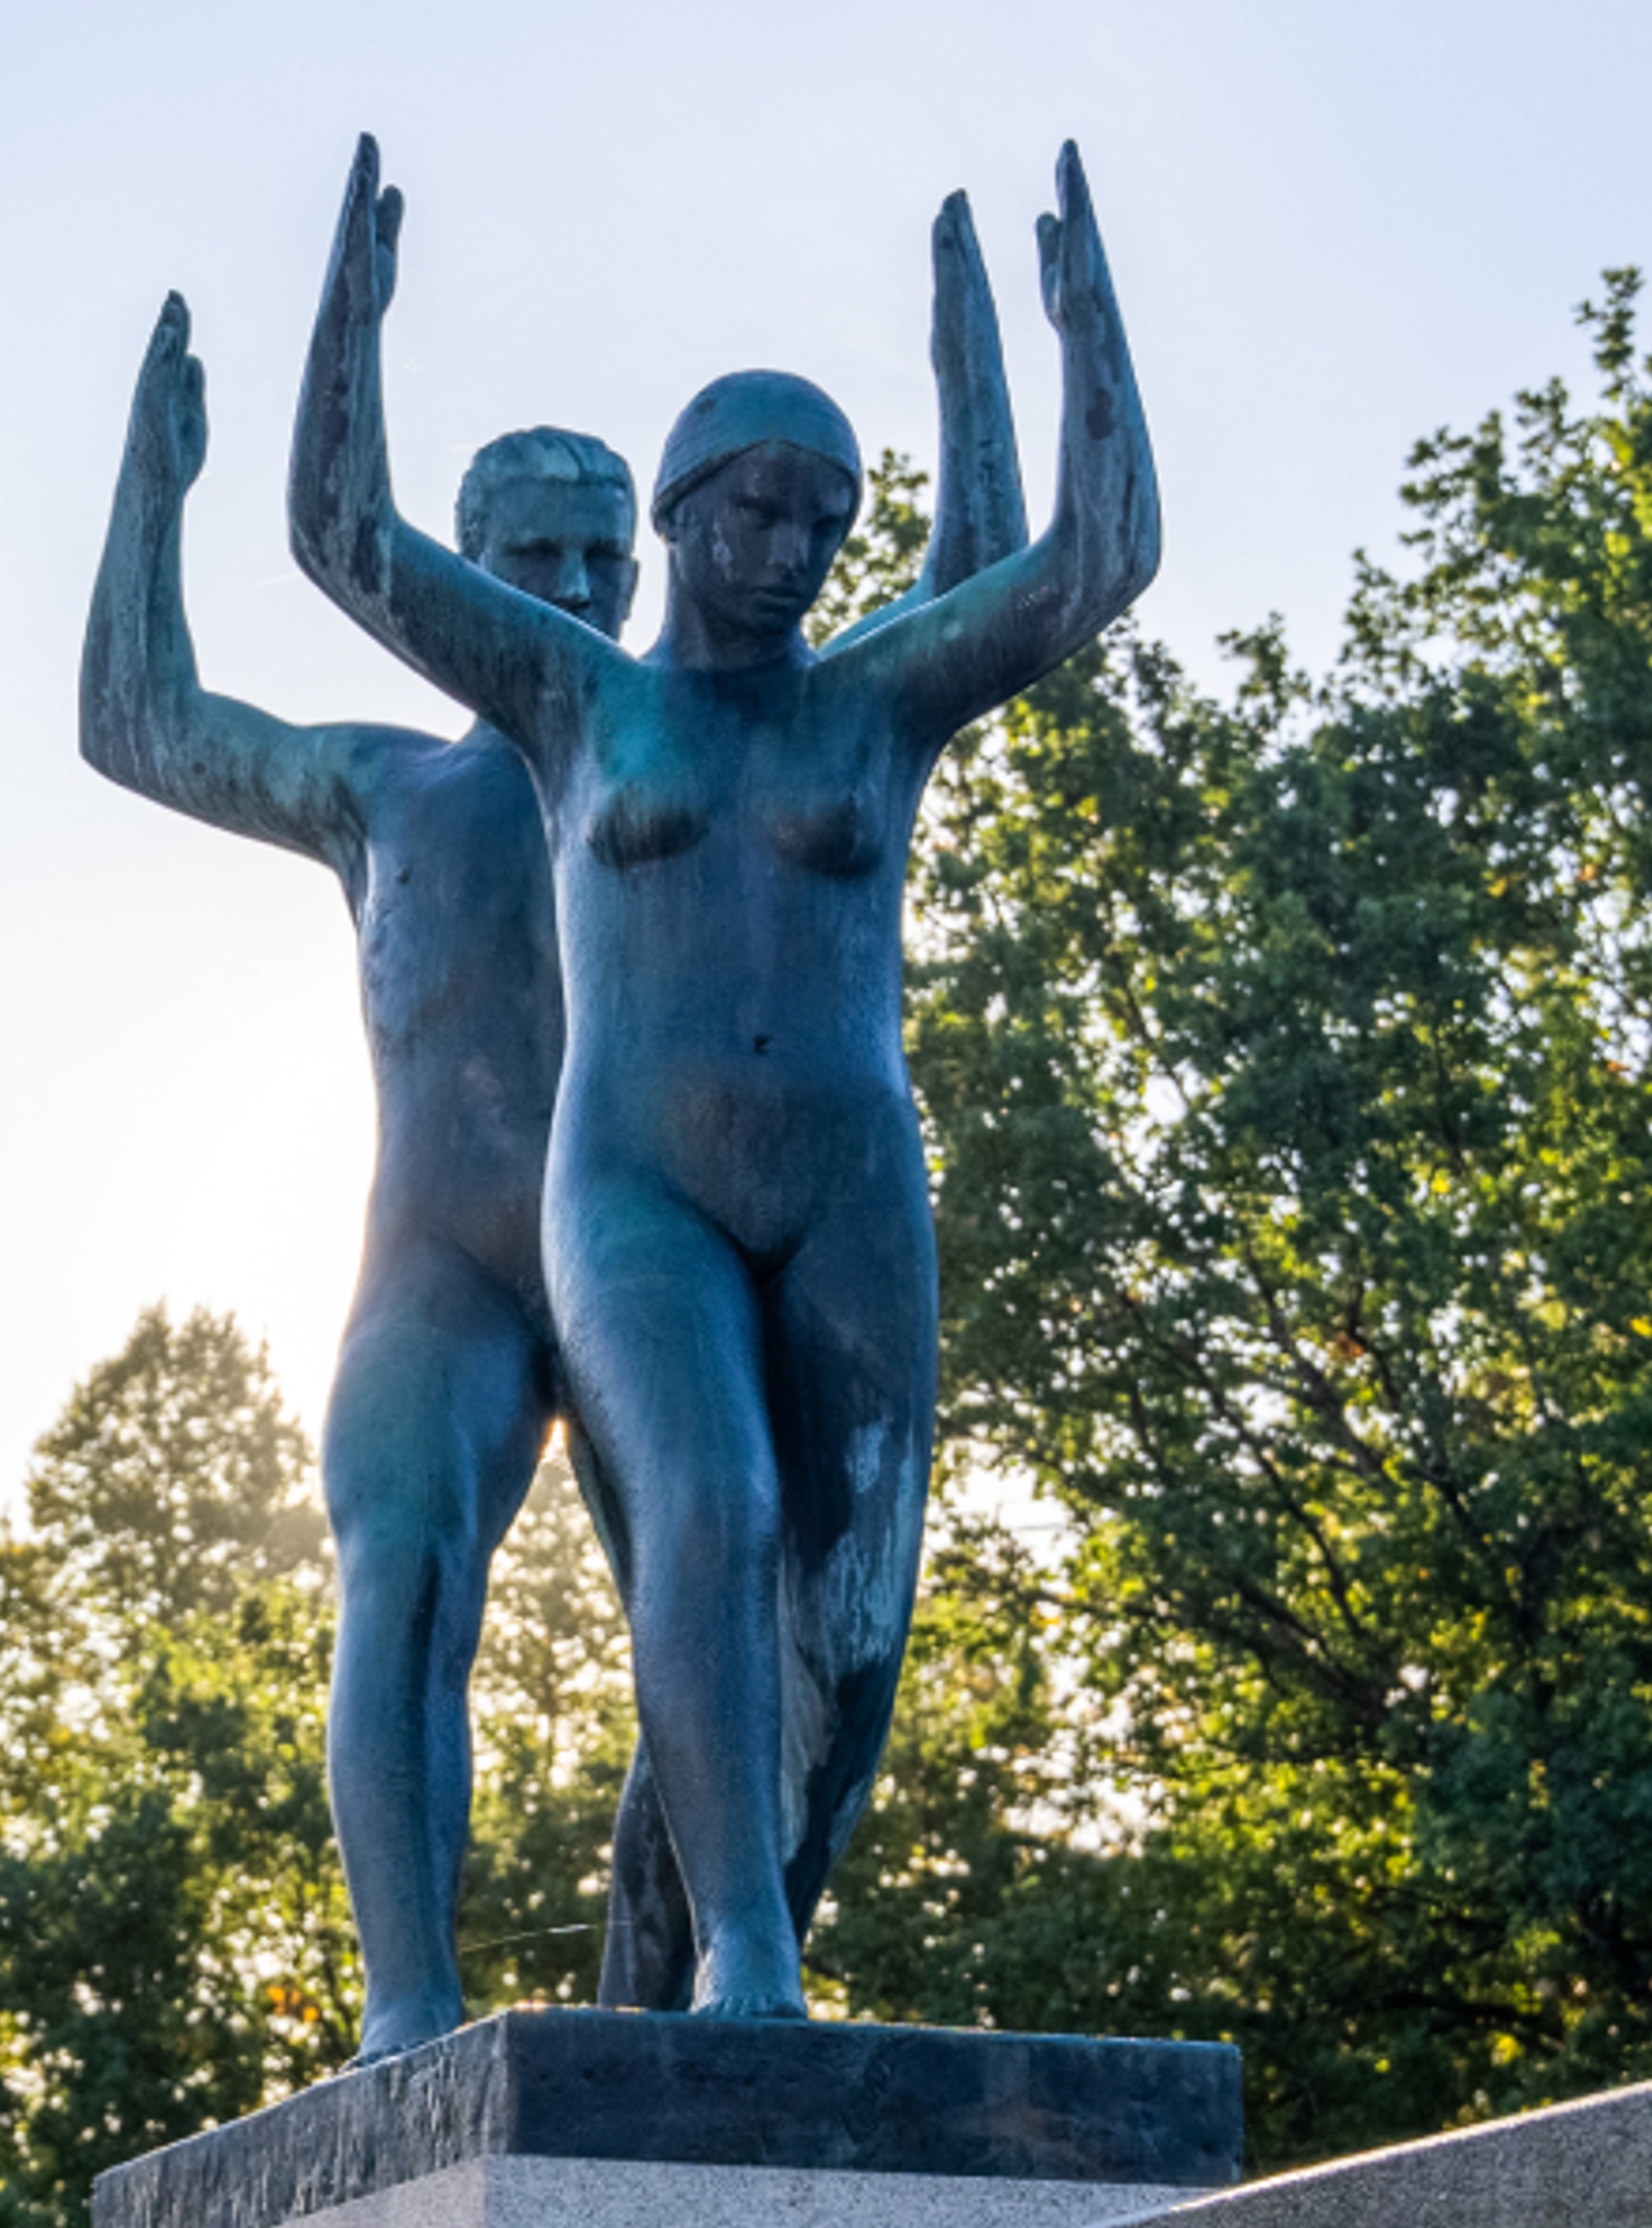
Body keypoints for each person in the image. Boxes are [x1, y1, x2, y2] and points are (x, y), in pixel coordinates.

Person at [88, 236, 1027, 2050]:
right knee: (409, 1566)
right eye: (531, 554)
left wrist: (968, 375)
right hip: (445, 1265)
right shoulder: (392, 788)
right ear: (464, 562)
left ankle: (674, 1982)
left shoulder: (687, 738)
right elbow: (139, 723)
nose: (576, 582)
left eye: (601, 551)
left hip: (664, 1241)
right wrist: (157, 482)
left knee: (776, 1599)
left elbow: (952, 607)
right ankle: (410, 2017)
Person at [291, 138, 1158, 2020]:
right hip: (635, 1189)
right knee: (713, 1504)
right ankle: (746, 1966)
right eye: (751, 515)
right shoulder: (580, 703)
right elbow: (342, 531)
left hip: (847, 1182)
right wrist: (347, 319)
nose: (785, 555)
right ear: (679, 514)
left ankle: (675, 1966)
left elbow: (1082, 562)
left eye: (819, 525)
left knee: (845, 1641)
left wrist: (1072, 338)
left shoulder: (872, 702)